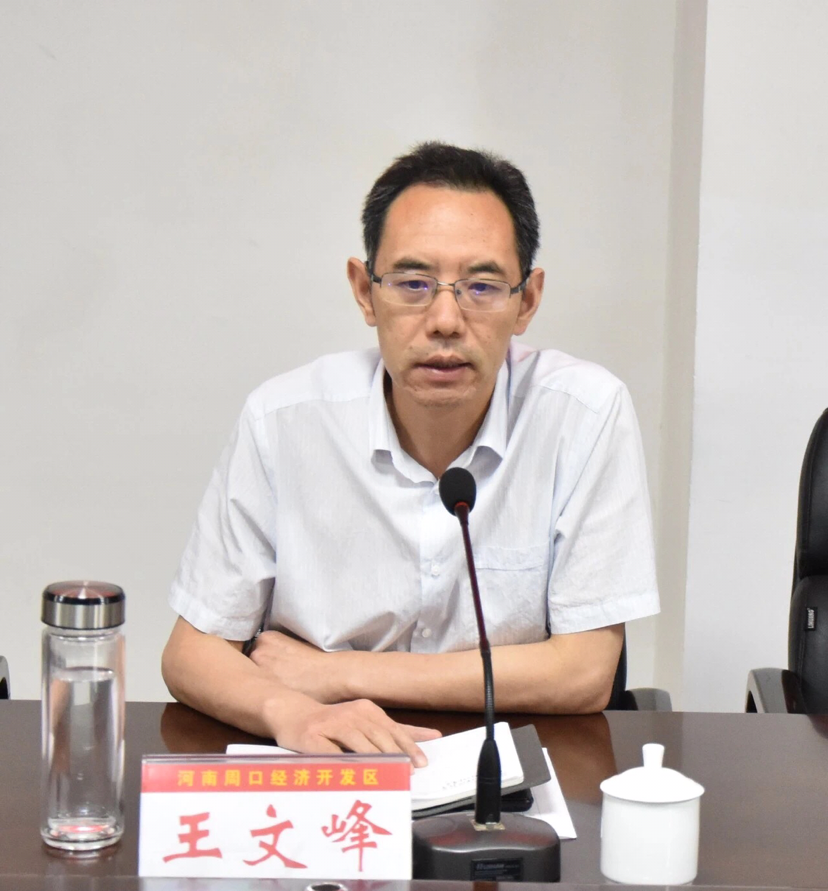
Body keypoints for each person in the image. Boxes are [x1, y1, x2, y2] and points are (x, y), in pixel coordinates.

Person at [162, 142, 659, 767]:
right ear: (364, 291)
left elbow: (584, 674)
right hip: (325, 759)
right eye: (413, 284)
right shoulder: (283, 420)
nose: (445, 320)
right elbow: (191, 652)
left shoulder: (583, 415)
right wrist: (296, 711)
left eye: (482, 286)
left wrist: (339, 674)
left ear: (527, 300)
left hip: (514, 765)